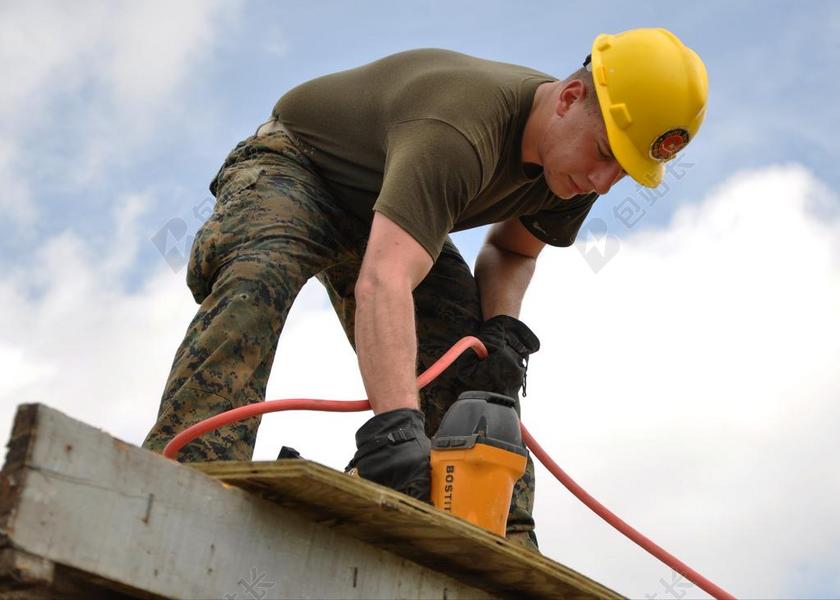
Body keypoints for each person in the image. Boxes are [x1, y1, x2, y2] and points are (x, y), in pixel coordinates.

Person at [142, 27, 708, 552]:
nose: (603, 183)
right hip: (301, 168)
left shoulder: (578, 171)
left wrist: (501, 327)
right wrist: (394, 428)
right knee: (257, 281)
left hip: (391, 213)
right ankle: (185, 473)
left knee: (478, 368)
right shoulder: (460, 131)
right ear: (568, 99)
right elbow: (384, 280)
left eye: (625, 173)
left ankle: (500, 535)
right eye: (606, 154)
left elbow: (511, 251)